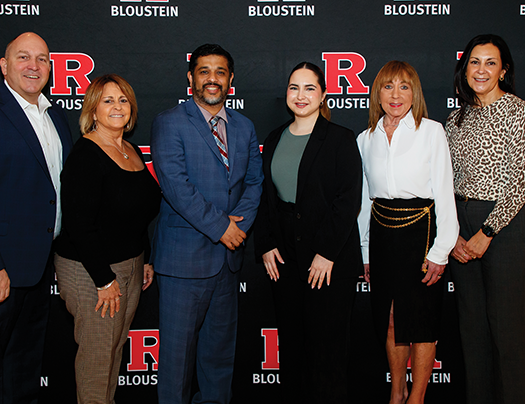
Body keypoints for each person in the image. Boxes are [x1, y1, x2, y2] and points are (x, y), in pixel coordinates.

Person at [0, 32, 73, 404]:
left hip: (37, 271)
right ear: (5, 66)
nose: (33, 66)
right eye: (23, 57)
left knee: (23, 371)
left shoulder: (56, 117)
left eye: (41, 59)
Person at [150, 44, 263, 404]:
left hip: (227, 264)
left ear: (230, 79)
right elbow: (175, 186)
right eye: (204, 71)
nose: (212, 79)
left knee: (218, 362)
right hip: (183, 263)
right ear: (190, 78)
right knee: (175, 366)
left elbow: (254, 183)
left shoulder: (244, 127)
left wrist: (238, 227)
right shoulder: (169, 123)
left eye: (219, 72)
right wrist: (221, 228)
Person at [254, 62, 362, 404]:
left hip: (329, 262)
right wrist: (267, 244)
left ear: (323, 94)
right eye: (294, 88)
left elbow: (348, 201)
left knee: (327, 354)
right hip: (284, 260)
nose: (301, 96)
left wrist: (327, 253)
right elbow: (266, 198)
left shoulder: (341, 138)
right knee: (293, 352)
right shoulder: (274, 139)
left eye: (309, 88)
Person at [54, 74, 160, 403]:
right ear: (93, 110)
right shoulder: (86, 155)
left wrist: (147, 257)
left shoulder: (130, 150)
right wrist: (103, 279)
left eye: (123, 100)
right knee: (97, 359)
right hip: (91, 271)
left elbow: (137, 214)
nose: (117, 107)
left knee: (113, 350)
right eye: (108, 100)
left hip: (130, 265)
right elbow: (78, 224)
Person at [356, 61, 458, 404]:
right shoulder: (364, 139)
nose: (396, 94)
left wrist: (440, 250)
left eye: (404, 86)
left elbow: (444, 193)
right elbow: (362, 203)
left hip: (421, 232)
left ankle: (417, 398)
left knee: (422, 322)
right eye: (388, 86)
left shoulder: (431, 131)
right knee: (389, 321)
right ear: (377, 93)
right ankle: (396, 394)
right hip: (382, 232)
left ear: (414, 93)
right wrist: (366, 251)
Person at [446, 34, 525, 404]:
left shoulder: (519, 111)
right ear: (464, 68)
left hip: (505, 228)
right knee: (473, 335)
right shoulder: (455, 118)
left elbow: (521, 180)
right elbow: (445, 181)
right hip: (462, 226)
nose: (481, 70)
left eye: (490, 62)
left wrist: (488, 231)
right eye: (474, 62)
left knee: (507, 337)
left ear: (504, 70)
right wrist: (452, 234)